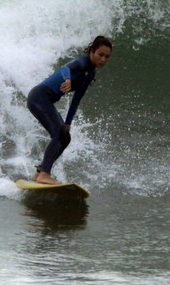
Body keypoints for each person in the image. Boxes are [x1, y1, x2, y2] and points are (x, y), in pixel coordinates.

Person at [27, 36, 112, 185]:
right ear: (92, 52)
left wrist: (68, 123)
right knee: (57, 134)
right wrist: (67, 79)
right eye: (100, 54)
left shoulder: (90, 73)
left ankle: (40, 172)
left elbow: (76, 100)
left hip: (44, 99)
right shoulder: (82, 62)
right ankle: (45, 173)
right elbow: (65, 68)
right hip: (39, 96)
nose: (103, 59)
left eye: (107, 56)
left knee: (65, 136)